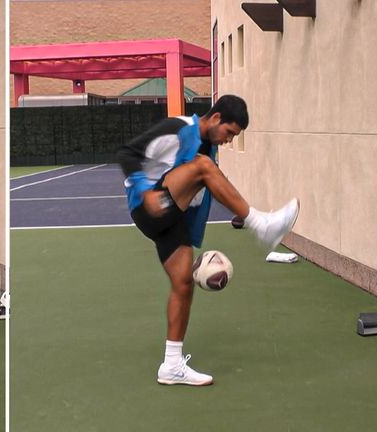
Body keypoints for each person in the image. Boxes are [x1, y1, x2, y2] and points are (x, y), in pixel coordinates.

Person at [116, 95, 299, 386]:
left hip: (172, 218)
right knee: (203, 167)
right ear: (215, 118)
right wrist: (143, 190)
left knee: (183, 284)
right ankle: (260, 225)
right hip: (149, 205)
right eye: (229, 133)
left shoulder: (209, 146)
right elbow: (127, 153)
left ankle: (172, 365)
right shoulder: (177, 128)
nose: (228, 140)